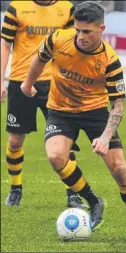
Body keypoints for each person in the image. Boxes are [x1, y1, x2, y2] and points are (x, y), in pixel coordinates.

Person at [20, 1, 126, 236]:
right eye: (78, 30)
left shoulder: (109, 61)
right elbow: (39, 60)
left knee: (119, 168)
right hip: (60, 110)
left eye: (87, 32)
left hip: (95, 112)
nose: (80, 36)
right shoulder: (58, 39)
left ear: (102, 28)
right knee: (55, 156)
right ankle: (93, 201)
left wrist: (105, 136)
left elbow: (118, 105)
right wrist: (28, 84)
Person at [0, 0, 87, 208]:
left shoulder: (66, 8)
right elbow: (5, 44)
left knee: (64, 140)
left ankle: (72, 193)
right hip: (20, 81)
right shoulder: (16, 7)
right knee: (14, 141)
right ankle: (15, 189)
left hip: (56, 83)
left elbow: (73, 46)